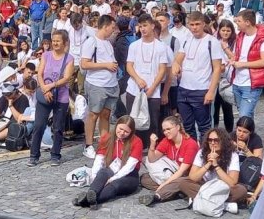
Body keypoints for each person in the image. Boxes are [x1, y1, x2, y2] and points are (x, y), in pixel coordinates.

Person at [171, 11, 225, 141]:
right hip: (184, 89)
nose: (194, 27)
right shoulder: (186, 40)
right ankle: (193, 153)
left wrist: (211, 91)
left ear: (203, 24)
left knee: (204, 127)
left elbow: (217, 68)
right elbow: (178, 59)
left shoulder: (212, 42)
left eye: (197, 24)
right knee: (187, 126)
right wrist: (176, 65)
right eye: (191, 24)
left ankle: (205, 154)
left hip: (201, 89)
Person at [27, 30, 75, 167]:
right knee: (39, 125)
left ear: (64, 43)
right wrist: (44, 88)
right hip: (45, 94)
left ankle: (55, 154)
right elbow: (40, 74)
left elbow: (66, 78)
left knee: (58, 127)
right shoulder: (46, 55)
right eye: (53, 40)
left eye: (58, 41)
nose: (55, 43)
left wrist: (51, 86)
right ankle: (34, 155)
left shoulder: (69, 59)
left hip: (61, 96)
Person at [73, 115, 144, 208]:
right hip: (112, 169)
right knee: (102, 172)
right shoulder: (107, 137)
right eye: (120, 129)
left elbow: (129, 166)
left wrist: (112, 179)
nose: (122, 133)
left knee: (115, 185)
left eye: (126, 131)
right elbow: (99, 159)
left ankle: (86, 201)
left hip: (130, 175)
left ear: (131, 132)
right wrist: (94, 175)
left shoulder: (136, 141)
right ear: (116, 125)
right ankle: (92, 193)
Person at [123, 13, 168, 145]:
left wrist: (153, 87)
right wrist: (138, 79)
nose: (143, 29)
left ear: (152, 26)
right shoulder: (134, 45)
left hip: (153, 91)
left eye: (145, 25)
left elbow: (162, 69)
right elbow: (129, 66)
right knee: (133, 120)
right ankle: (133, 146)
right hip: (134, 88)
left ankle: (152, 148)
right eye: (140, 26)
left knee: (153, 121)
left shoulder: (160, 46)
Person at [81, 14, 120, 159]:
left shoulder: (108, 43)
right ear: (105, 26)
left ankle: (104, 144)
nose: (113, 30)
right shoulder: (92, 42)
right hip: (97, 83)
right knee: (93, 114)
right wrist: (106, 65)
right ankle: (89, 144)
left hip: (111, 84)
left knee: (106, 114)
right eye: (112, 27)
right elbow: (84, 64)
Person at [139, 115, 200, 204]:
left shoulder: (190, 144)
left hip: (186, 176)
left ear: (178, 127)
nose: (166, 132)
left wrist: (164, 184)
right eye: (164, 130)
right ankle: (178, 192)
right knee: (144, 179)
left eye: (168, 129)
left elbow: (181, 172)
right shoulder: (166, 141)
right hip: (169, 173)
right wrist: (152, 145)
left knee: (179, 182)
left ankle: (158, 196)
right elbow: (152, 159)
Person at [226, 9, 264, 119]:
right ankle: (250, 136)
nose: (236, 23)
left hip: (251, 84)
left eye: (238, 21)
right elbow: (237, 56)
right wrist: (232, 60)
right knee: (246, 117)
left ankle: (245, 135)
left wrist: (242, 64)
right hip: (237, 81)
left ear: (247, 22)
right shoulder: (240, 36)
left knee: (244, 116)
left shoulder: (263, 39)